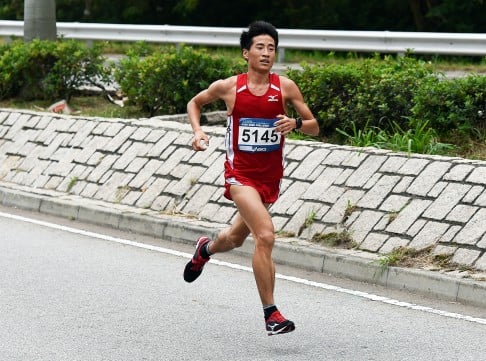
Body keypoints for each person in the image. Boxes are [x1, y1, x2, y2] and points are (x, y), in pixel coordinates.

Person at [183, 20, 320, 336]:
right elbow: (195, 103)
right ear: (246, 53)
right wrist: (198, 131)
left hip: (269, 180)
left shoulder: (285, 87)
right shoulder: (230, 87)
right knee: (266, 235)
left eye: (271, 48)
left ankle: (204, 250)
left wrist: (296, 124)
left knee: (234, 239)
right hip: (239, 176)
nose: (266, 53)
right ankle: (271, 315)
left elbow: (315, 125)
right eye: (260, 47)